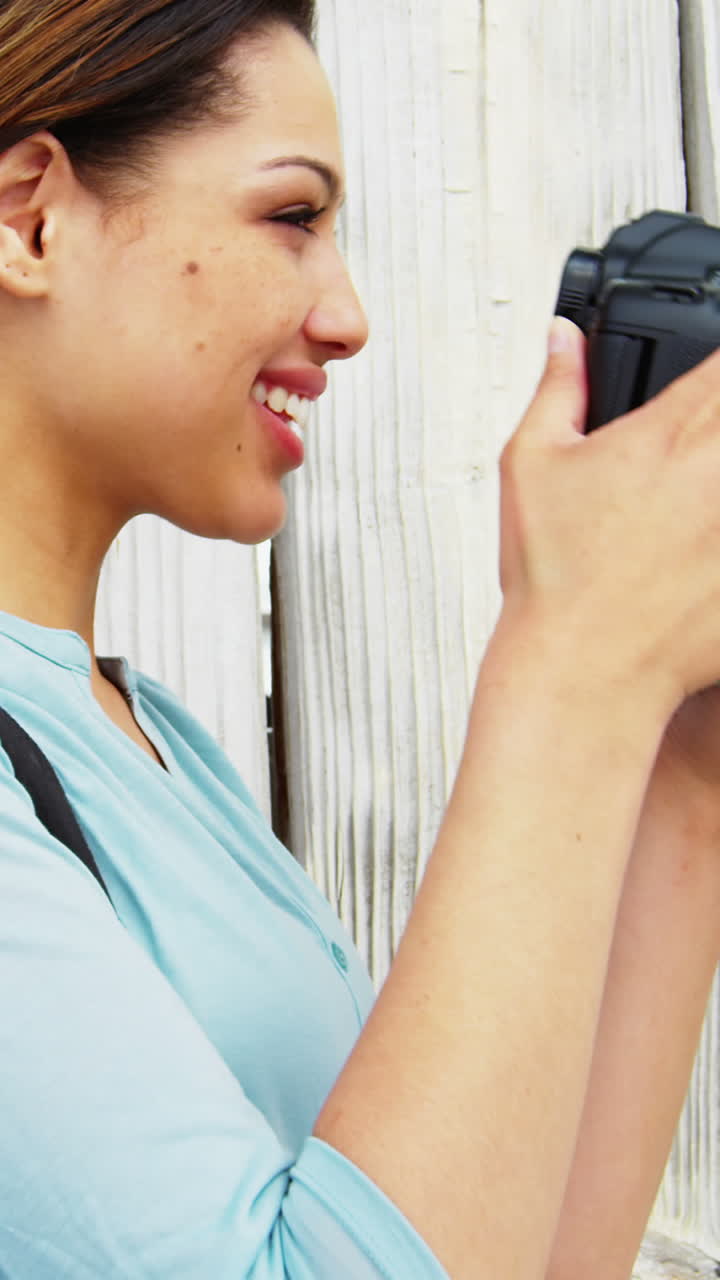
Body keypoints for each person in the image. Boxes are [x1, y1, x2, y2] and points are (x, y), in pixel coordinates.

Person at [1, 2, 719, 1278]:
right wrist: (573, 661)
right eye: (293, 217)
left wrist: (683, 750)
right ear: (30, 216)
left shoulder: (154, 747)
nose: (347, 316)